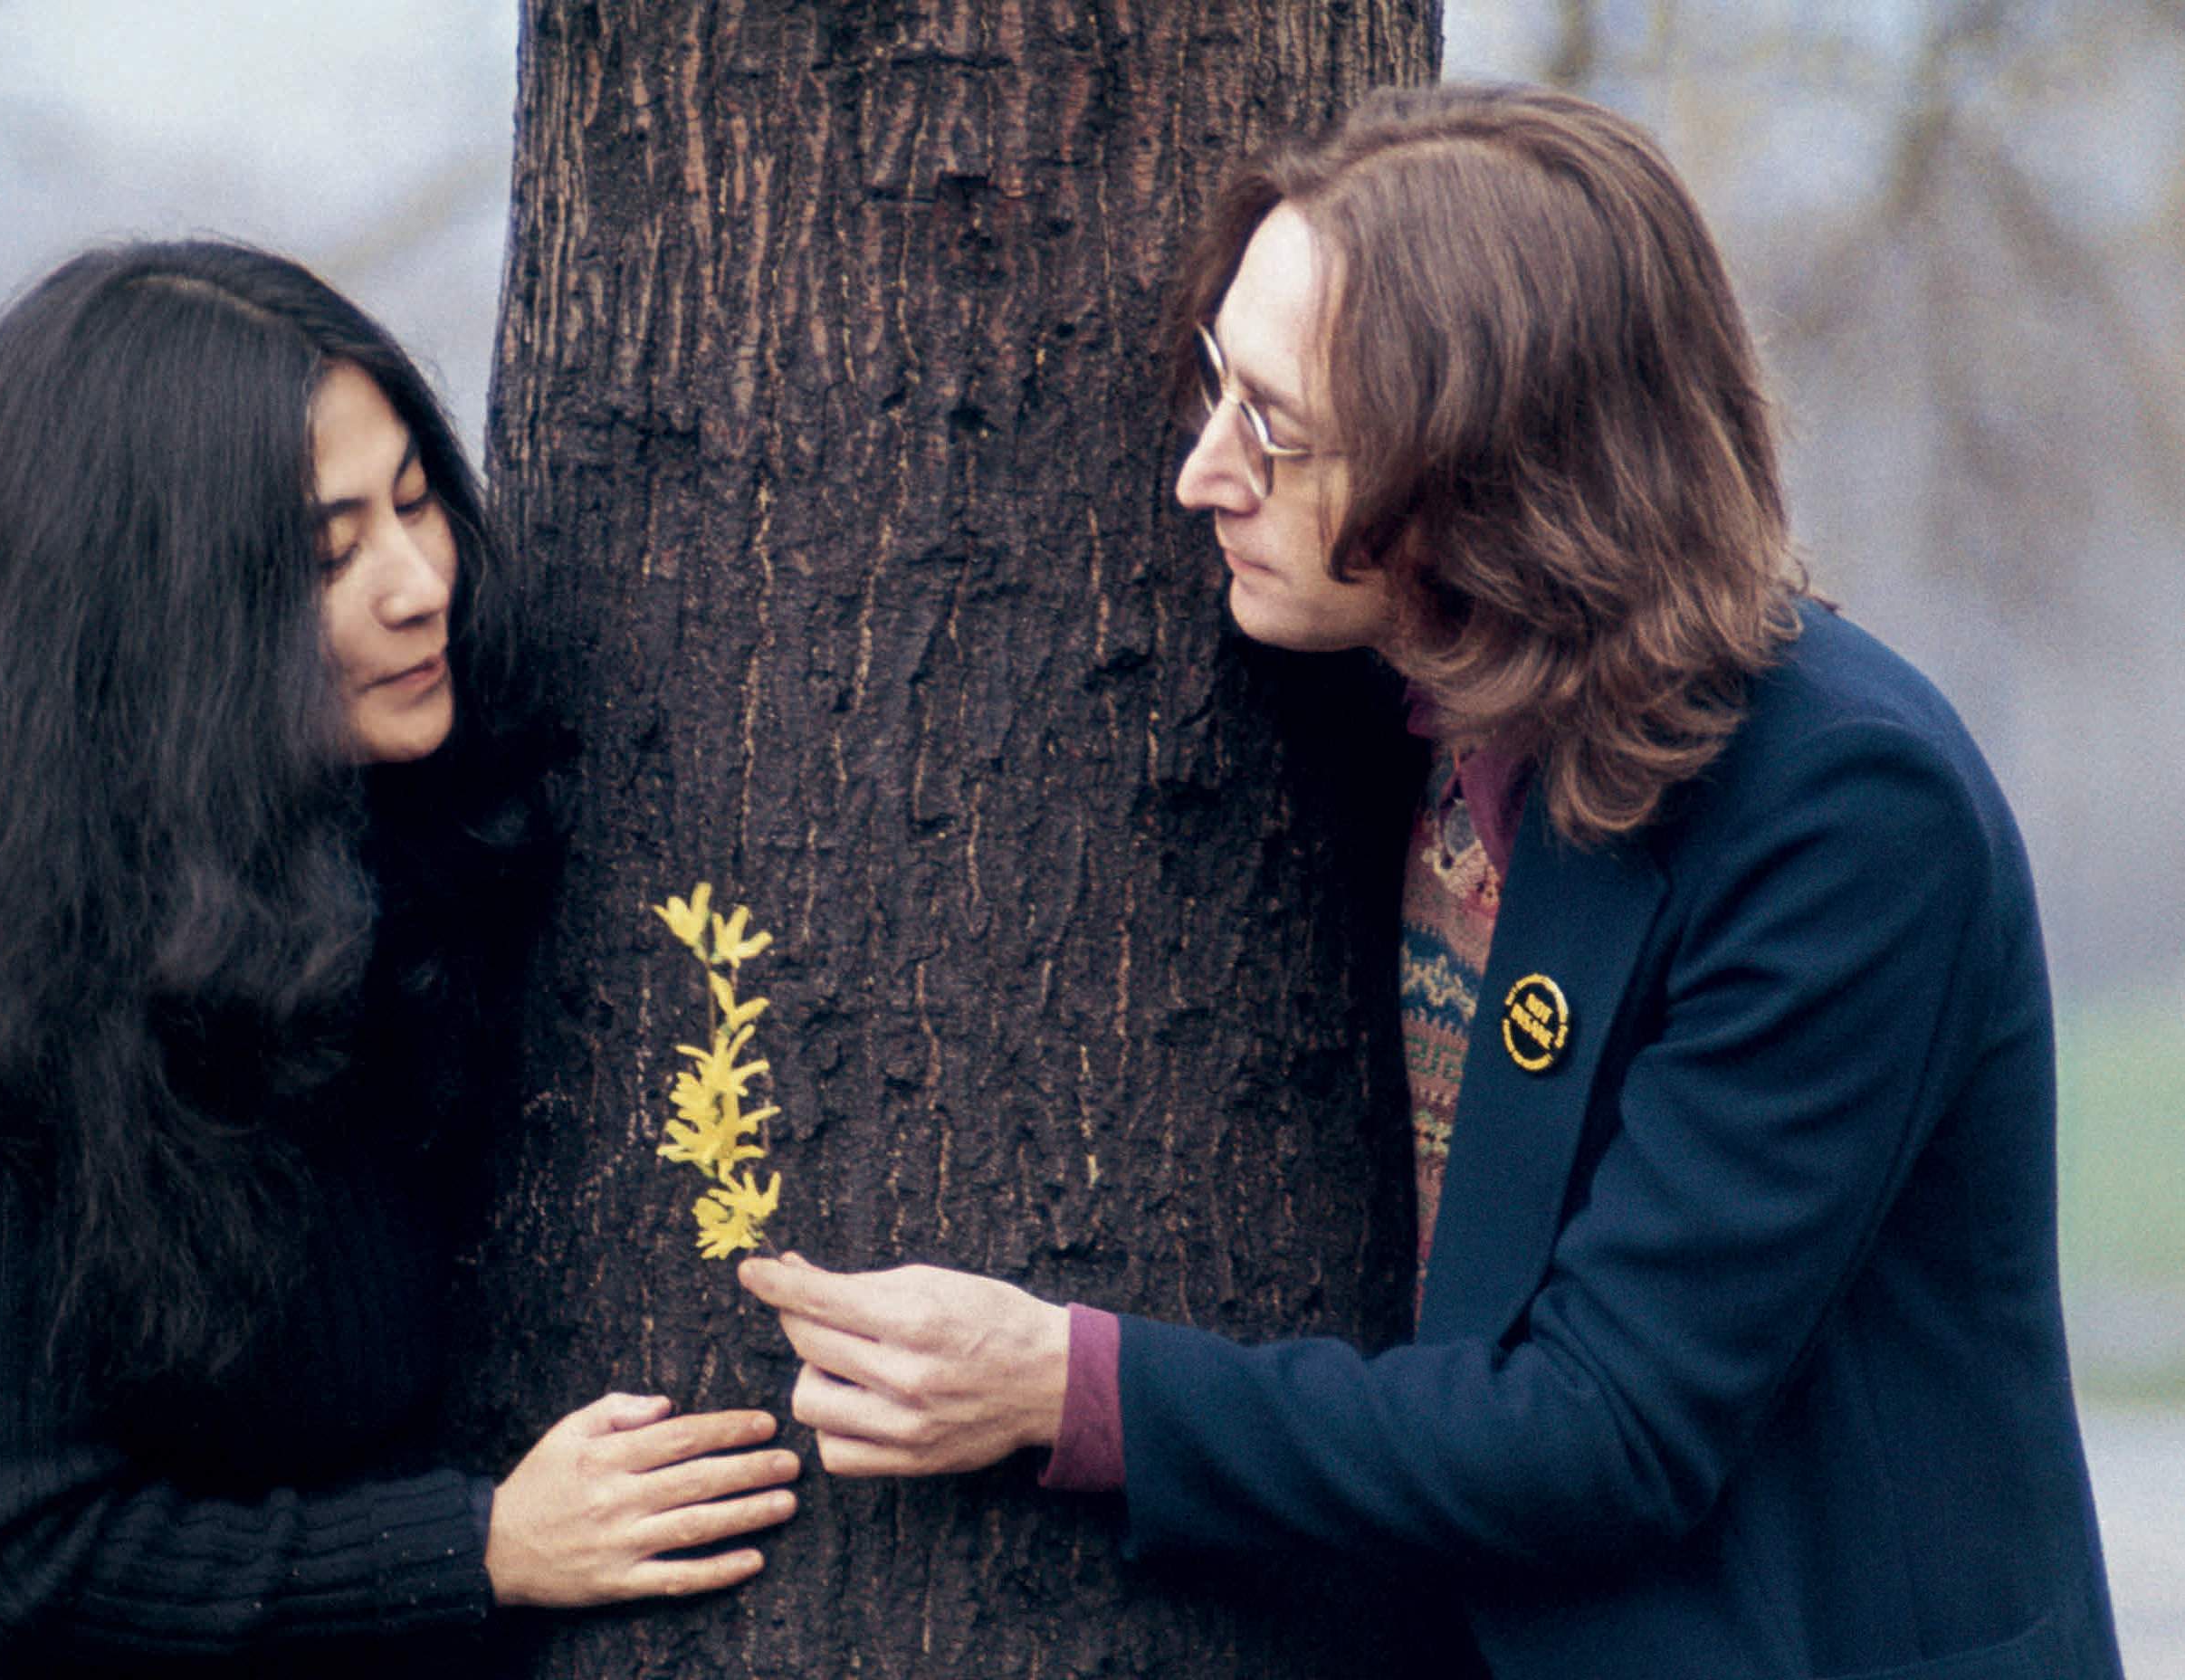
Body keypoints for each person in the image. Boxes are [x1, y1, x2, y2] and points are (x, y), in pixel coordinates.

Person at [739, 83, 2123, 1679]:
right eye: (1216, 386)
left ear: (1494, 476)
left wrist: (1072, 1387)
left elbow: (1605, 1431)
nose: (1202, 474)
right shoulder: (1396, 692)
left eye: (1279, 428)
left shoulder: (1846, 814)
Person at [0, 240, 798, 1676]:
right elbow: (25, 1551)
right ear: (155, 618)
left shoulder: (404, 853)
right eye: (328, 553)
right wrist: (480, 1547)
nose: (420, 582)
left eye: (418, 504)